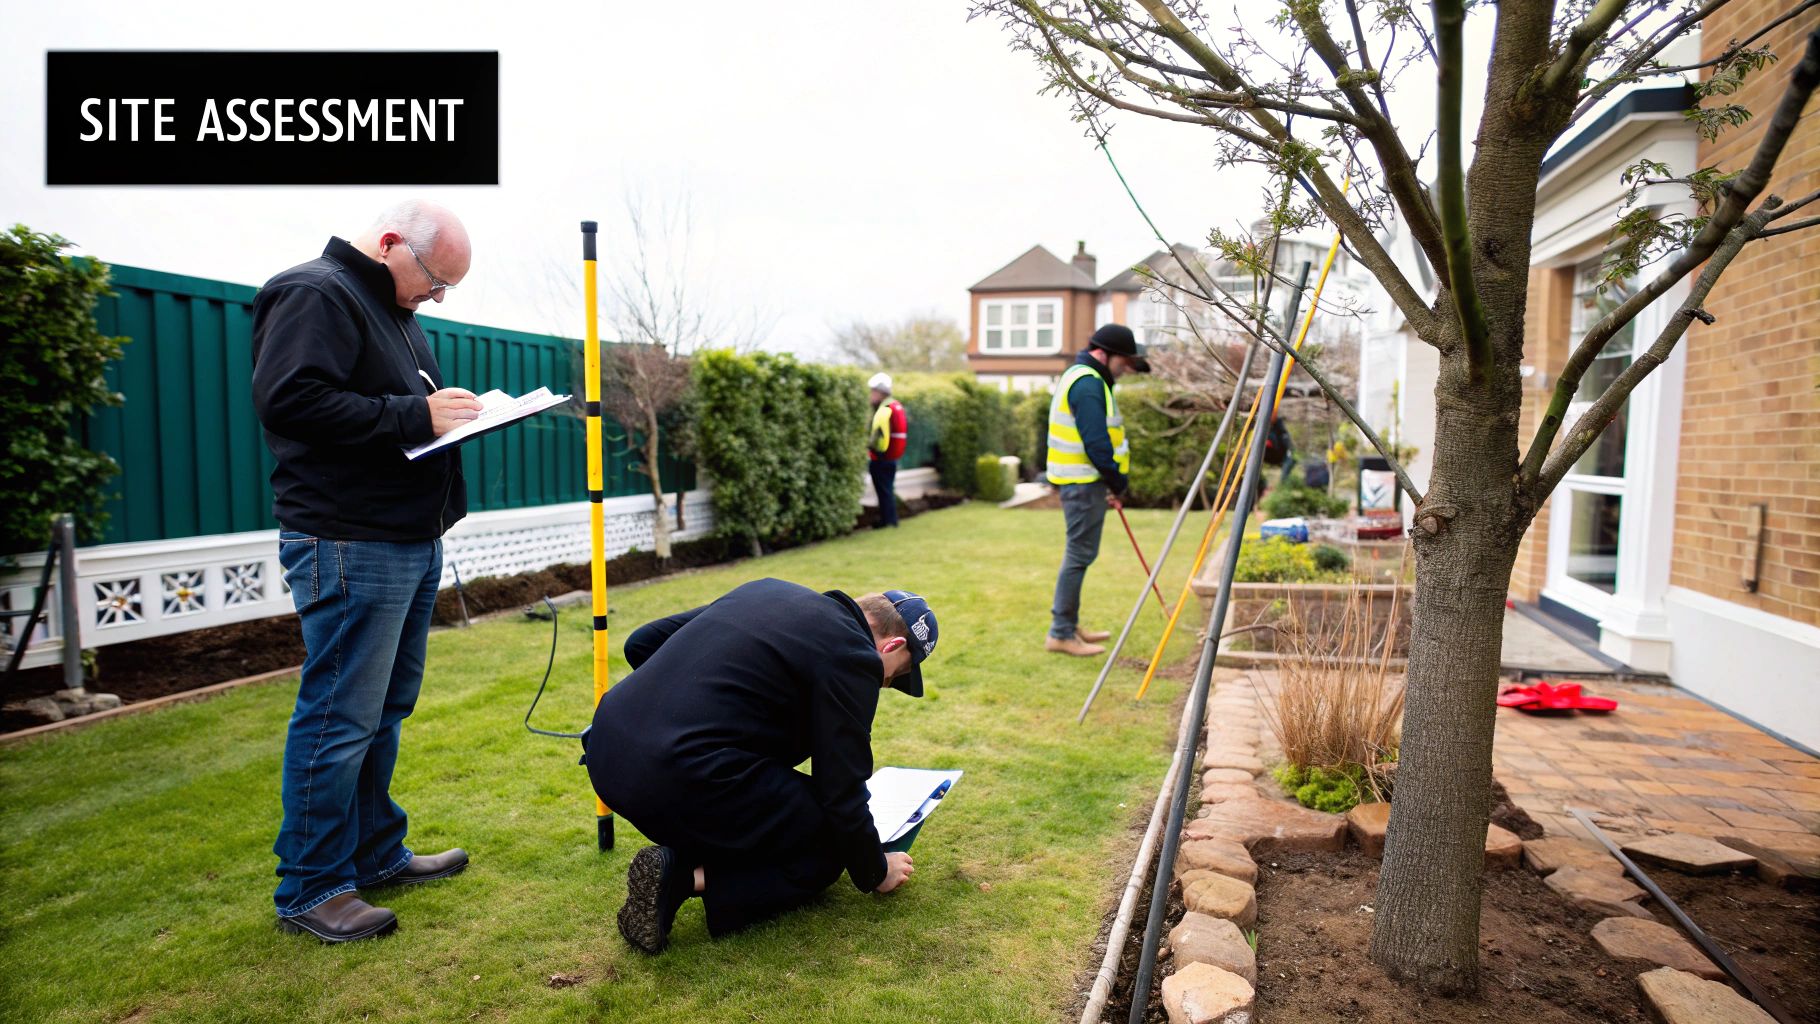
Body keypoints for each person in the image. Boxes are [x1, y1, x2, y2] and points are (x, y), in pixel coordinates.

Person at [251, 200, 482, 943]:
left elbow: (393, 406)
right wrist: (417, 417)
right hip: (350, 540)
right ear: (390, 244)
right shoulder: (314, 293)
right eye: (434, 281)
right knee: (338, 717)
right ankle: (312, 887)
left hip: (407, 538)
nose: (437, 298)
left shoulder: (390, 306)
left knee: (383, 711)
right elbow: (290, 400)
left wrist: (444, 413)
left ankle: (376, 853)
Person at [582, 578, 938, 953]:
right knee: (830, 845)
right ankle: (681, 879)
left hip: (606, 752)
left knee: (774, 807)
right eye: (894, 675)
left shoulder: (768, 591)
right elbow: (840, 792)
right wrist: (875, 871)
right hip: (675, 775)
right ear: (893, 646)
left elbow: (640, 642)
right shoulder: (855, 656)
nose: (884, 683)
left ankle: (689, 852)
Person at [1044, 323, 1150, 657]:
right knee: (1078, 556)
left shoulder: (1083, 377)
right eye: (1123, 361)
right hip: (1083, 483)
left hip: (1082, 482)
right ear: (1103, 353)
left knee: (1079, 555)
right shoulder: (1088, 384)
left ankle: (1069, 626)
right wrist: (1118, 481)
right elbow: (1096, 442)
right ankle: (1060, 632)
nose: (1125, 369)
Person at [866, 372, 908, 528]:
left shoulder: (884, 409)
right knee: (888, 490)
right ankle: (891, 520)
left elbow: (880, 436)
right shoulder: (896, 405)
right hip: (892, 457)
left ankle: (887, 521)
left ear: (880, 392)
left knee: (884, 491)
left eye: (873, 391)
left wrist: (873, 450)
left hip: (882, 458)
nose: (871, 395)